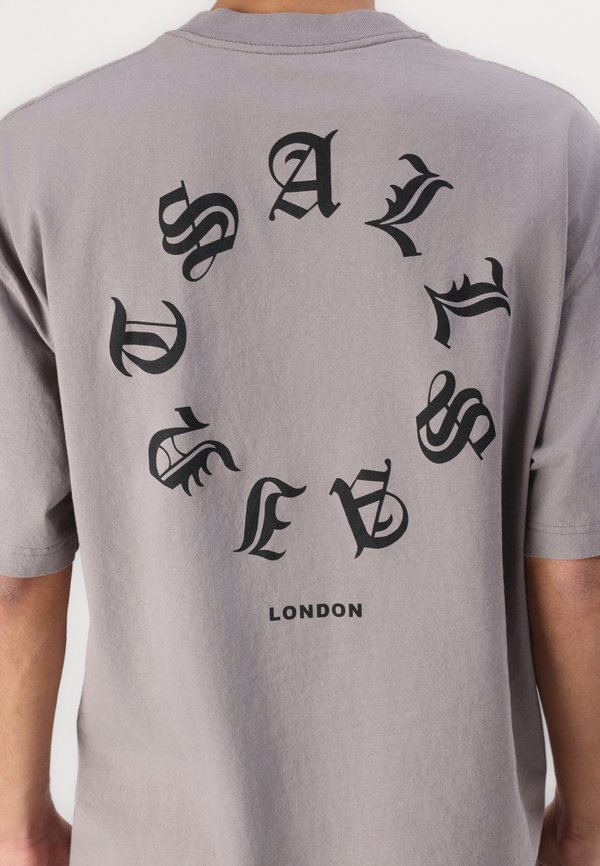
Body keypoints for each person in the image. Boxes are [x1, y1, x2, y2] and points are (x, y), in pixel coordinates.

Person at [0, 0, 599, 863]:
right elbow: (578, 569)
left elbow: (16, 577)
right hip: (452, 832)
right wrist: (587, 820)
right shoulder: (549, 145)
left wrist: (18, 825)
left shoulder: (36, 158)